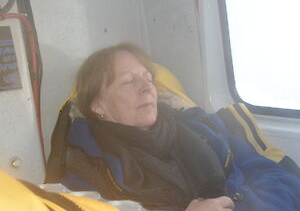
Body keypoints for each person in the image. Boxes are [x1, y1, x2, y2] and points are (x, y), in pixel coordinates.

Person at [46, 42, 300, 211]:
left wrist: (234, 203)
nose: (147, 87)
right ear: (97, 105)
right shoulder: (84, 167)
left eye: (148, 78)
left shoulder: (204, 129)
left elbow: (283, 180)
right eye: (128, 81)